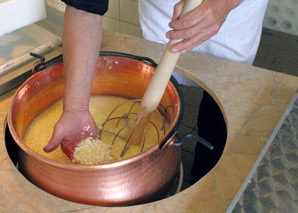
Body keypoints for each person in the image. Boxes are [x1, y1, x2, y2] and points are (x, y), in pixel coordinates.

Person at [44, 0, 269, 180]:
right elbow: (85, 9)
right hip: (164, 10)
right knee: (159, 84)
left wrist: (225, 3)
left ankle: (204, 173)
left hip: (236, 14)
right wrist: (75, 107)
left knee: (219, 107)